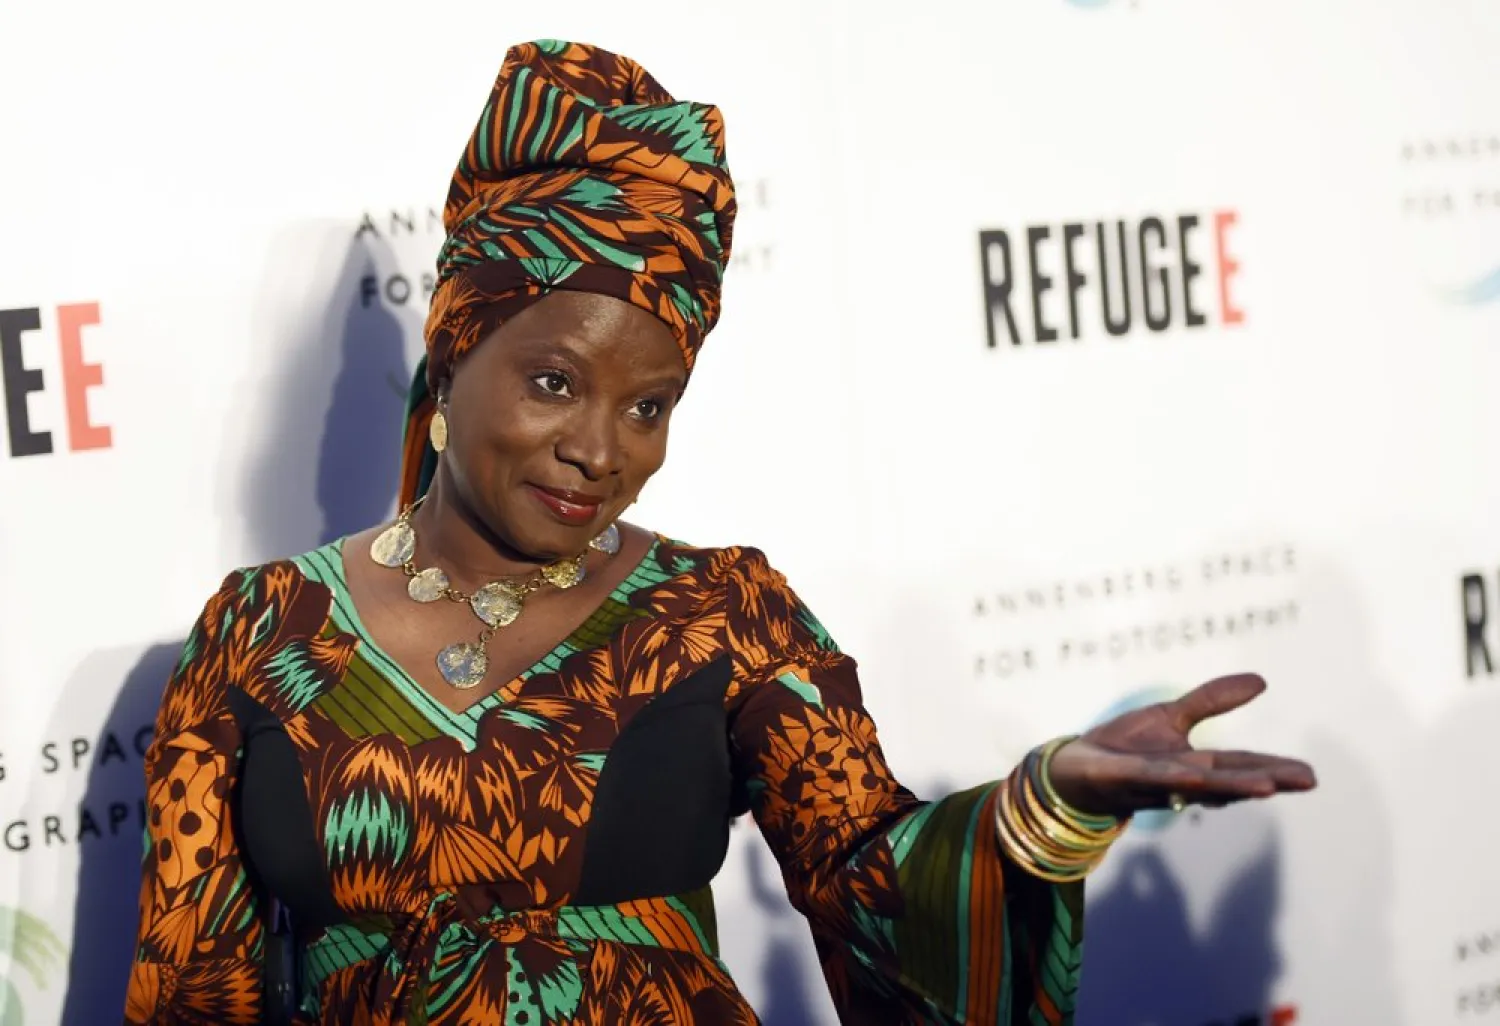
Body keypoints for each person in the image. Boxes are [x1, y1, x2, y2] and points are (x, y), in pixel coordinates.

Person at [123, 40, 1315, 1026]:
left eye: (650, 406)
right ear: (451, 352)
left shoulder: (723, 616)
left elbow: (873, 884)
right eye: (553, 383)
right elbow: (191, 992)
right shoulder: (261, 633)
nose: (604, 448)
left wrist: (1039, 810)